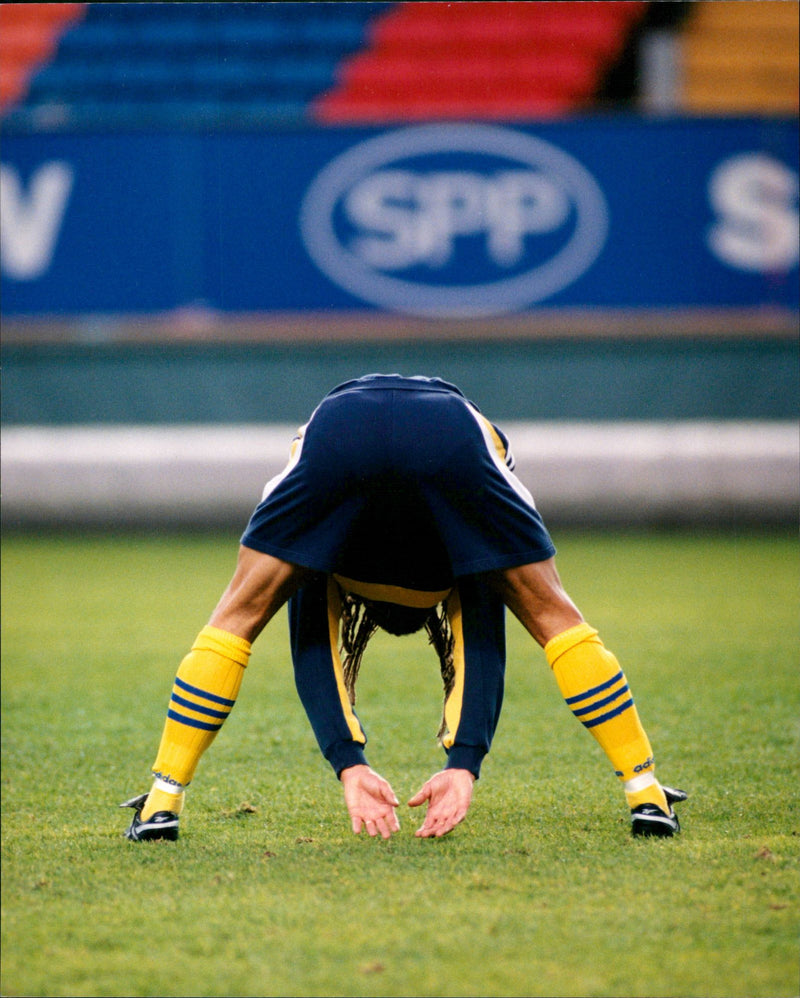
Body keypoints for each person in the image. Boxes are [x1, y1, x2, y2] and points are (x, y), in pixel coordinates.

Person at [121, 373, 686, 843]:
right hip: (448, 429)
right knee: (555, 617)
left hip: (339, 426)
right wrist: (463, 764)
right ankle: (646, 793)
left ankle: (163, 801)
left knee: (235, 617)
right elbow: (483, 643)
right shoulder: (469, 554)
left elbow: (314, 650)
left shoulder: (324, 569)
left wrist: (349, 762)